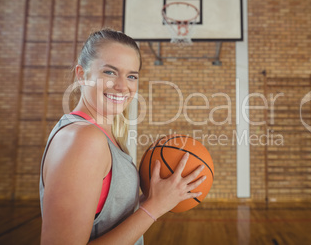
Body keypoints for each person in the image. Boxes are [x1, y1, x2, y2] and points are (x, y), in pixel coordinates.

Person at [39, 28, 206, 244]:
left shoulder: (98, 134)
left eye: (131, 76)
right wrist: (153, 208)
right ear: (81, 75)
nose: (122, 86)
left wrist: (153, 197)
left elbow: (103, 210)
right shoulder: (83, 140)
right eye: (109, 72)